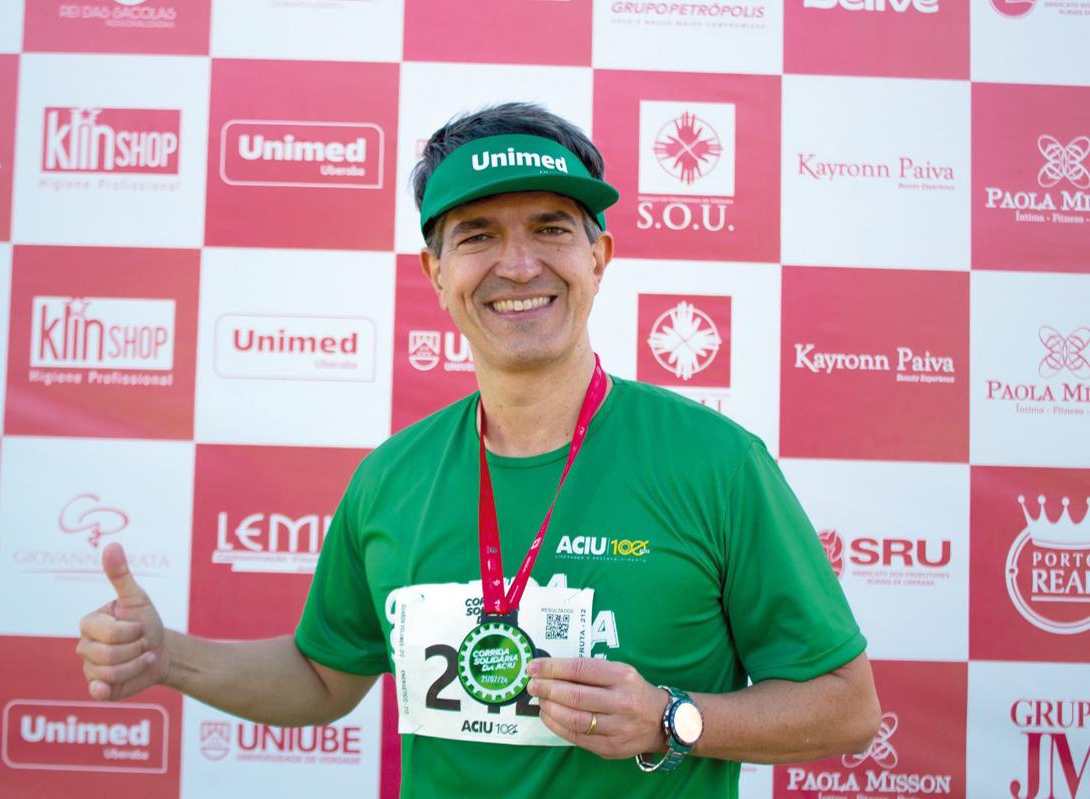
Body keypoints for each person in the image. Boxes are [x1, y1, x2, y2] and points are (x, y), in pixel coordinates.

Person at [77, 102, 881, 797]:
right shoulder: (391, 479)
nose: (519, 263)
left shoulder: (715, 461)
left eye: (551, 227)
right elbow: (324, 675)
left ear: (598, 258)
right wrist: (168, 658)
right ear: (436, 272)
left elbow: (847, 704)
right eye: (478, 234)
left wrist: (673, 716)